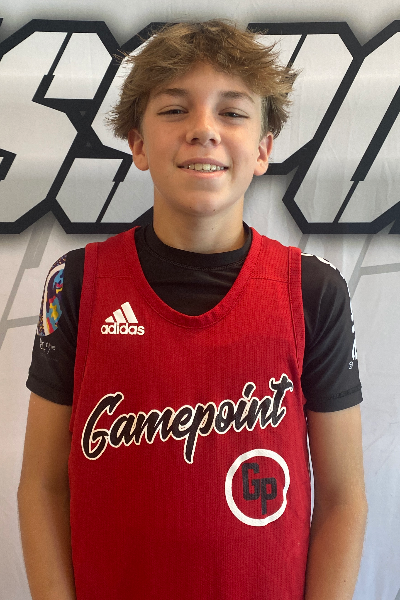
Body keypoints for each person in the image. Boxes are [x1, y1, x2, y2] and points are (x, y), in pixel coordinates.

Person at [18, 20, 367, 600]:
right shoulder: (77, 283)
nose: (203, 129)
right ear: (137, 144)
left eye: (231, 112)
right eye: (175, 110)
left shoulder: (313, 292)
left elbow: (342, 498)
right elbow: (43, 486)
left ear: (263, 149)